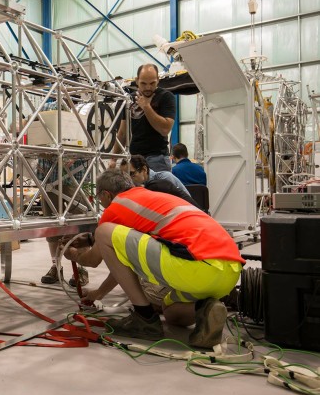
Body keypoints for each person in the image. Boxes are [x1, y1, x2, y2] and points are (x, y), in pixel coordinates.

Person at [63, 169, 244, 348]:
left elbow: (93, 260)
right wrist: (99, 293)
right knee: (171, 313)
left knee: (103, 232)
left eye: (99, 198)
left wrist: (74, 254)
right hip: (229, 271)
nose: (101, 203)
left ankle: (145, 318)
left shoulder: (116, 206)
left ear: (106, 194)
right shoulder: (150, 198)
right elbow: (123, 262)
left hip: (197, 265)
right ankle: (206, 309)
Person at [29, 102, 90, 288]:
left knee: (78, 224)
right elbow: (29, 131)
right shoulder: (44, 107)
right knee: (52, 225)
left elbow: (85, 144)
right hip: (49, 177)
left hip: (73, 178)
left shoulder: (77, 113)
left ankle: (82, 267)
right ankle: (56, 266)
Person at [109, 64, 175, 172]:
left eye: (152, 83)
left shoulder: (166, 97)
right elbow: (123, 133)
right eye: (143, 83)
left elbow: (165, 129)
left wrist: (146, 107)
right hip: (135, 159)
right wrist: (113, 158)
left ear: (158, 80)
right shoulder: (130, 99)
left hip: (157, 158)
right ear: (137, 80)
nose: (148, 87)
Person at [123, 155, 190, 198]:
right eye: (125, 176)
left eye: (131, 174)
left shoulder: (165, 179)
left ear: (144, 169)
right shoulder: (140, 186)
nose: (129, 179)